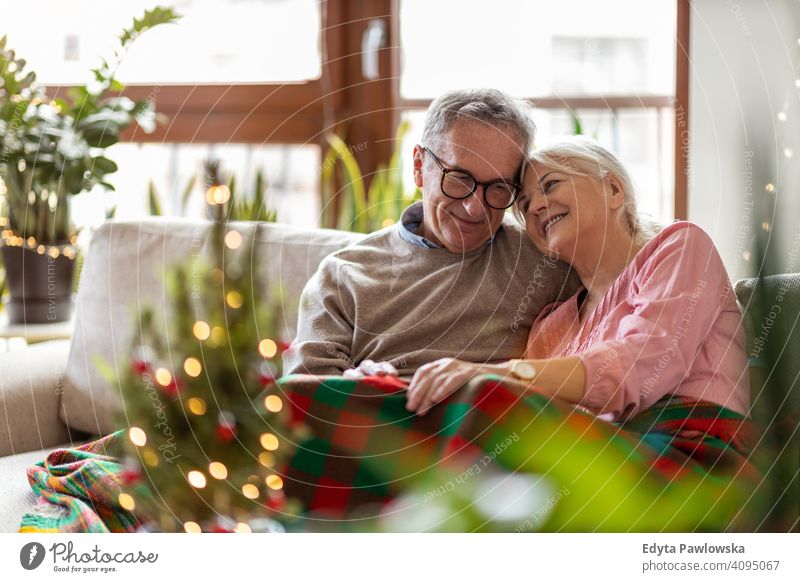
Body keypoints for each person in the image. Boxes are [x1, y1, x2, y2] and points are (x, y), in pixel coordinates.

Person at [405, 137, 750, 420]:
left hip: (694, 456)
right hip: (595, 468)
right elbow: (531, 419)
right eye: (523, 206)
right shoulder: (549, 327)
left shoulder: (679, 248)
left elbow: (641, 367)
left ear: (614, 189)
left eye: (551, 185)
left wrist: (504, 374)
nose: (536, 207)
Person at [284, 89, 576, 377]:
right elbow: (308, 399)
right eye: (460, 179)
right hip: (379, 415)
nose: (476, 208)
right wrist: (358, 388)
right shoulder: (343, 275)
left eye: (499, 187)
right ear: (419, 166)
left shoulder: (544, 258)